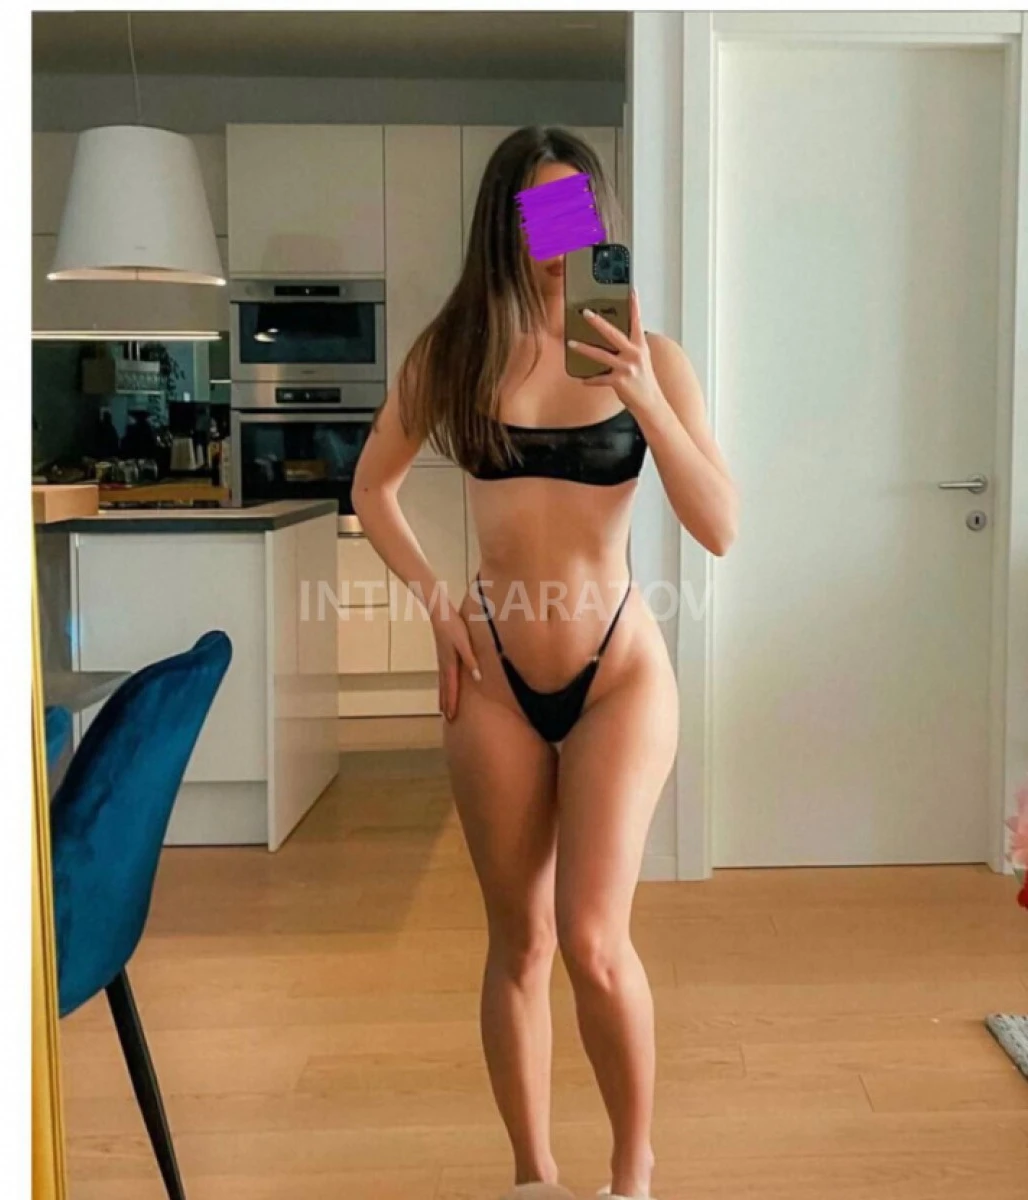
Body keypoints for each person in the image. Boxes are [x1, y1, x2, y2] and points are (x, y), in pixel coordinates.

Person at [352, 126, 739, 1200]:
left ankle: (631, 1172)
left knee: (592, 942)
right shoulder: (453, 355)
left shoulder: (652, 356)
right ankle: (533, 1176)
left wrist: (644, 396)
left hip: (618, 674)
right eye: (542, 214)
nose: (563, 237)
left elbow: (719, 526)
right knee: (517, 941)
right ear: (505, 225)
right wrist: (437, 607)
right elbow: (371, 488)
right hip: (494, 683)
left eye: (579, 212)